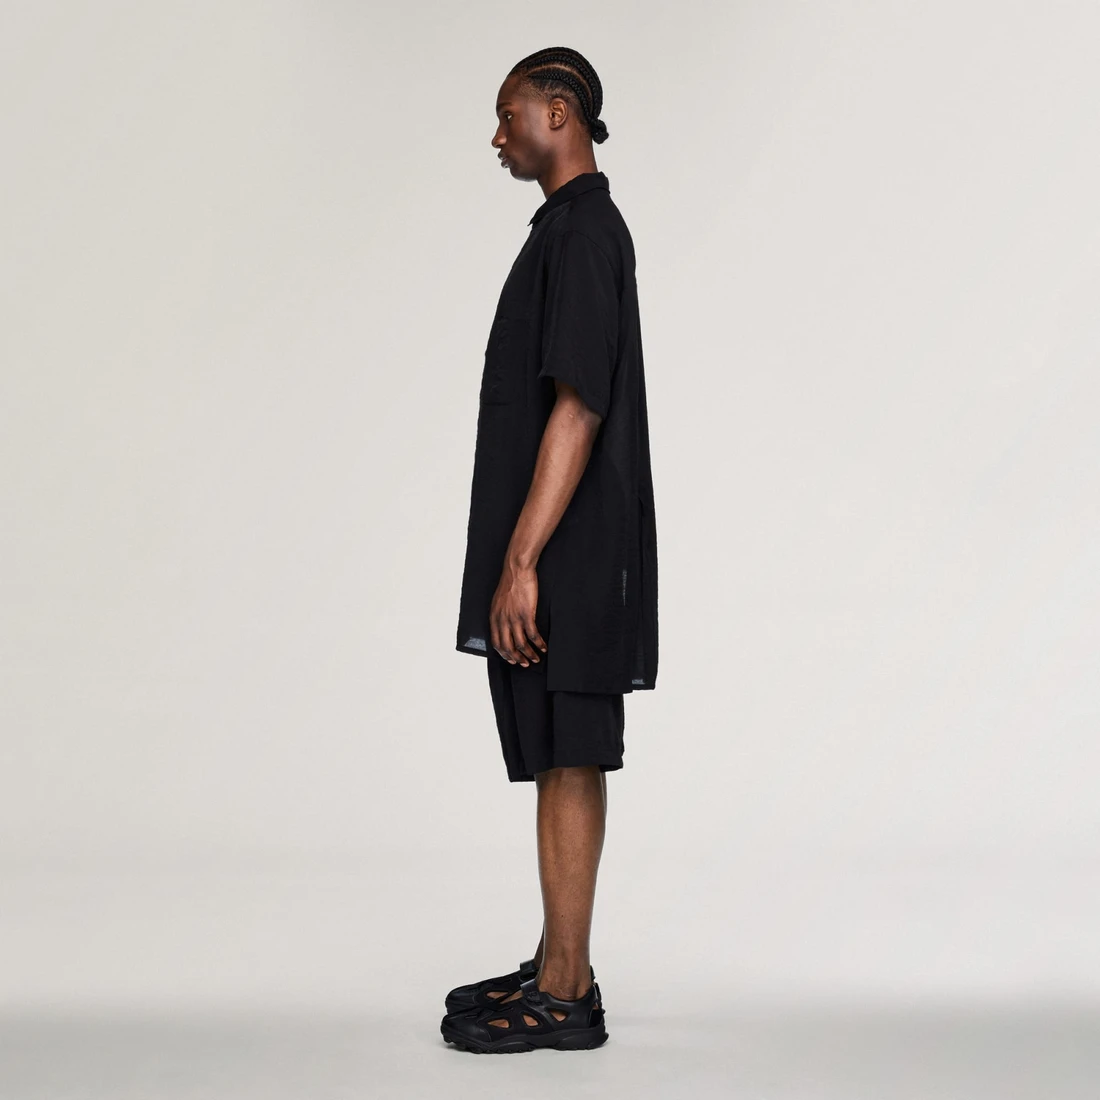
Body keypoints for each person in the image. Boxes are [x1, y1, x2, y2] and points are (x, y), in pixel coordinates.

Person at [442, 45, 658, 1055]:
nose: (497, 136)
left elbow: (578, 405)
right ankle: (556, 960)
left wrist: (522, 560)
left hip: (569, 551)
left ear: (558, 112)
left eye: (508, 114)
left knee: (571, 754)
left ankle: (566, 991)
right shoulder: (570, 232)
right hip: (563, 547)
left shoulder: (581, 235)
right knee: (559, 751)